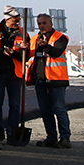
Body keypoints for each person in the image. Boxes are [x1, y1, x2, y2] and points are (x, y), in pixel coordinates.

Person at [0, 6, 27, 143]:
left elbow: (27, 55)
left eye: (19, 21)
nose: (17, 23)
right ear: (7, 19)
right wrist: (2, 52)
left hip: (15, 75)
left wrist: (20, 51)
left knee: (15, 105)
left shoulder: (23, 33)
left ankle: (12, 134)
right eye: (15, 21)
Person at [29, 12, 71, 149]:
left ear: (51, 24)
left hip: (56, 80)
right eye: (39, 24)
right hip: (40, 80)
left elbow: (56, 52)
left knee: (59, 109)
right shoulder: (35, 39)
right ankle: (51, 137)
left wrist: (45, 46)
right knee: (45, 111)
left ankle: (65, 138)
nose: (41, 26)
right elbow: (28, 54)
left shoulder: (60, 38)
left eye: (44, 23)